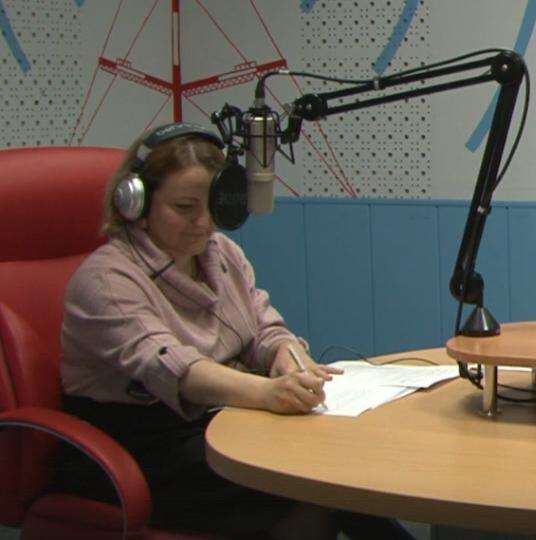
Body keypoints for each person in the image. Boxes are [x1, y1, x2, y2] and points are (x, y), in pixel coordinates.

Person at [56, 122, 415, 539]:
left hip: (217, 423)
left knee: (336, 471)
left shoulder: (220, 254)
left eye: (211, 205)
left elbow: (263, 328)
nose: (203, 222)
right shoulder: (106, 280)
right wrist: (268, 393)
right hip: (141, 451)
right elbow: (177, 369)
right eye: (184, 207)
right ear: (134, 202)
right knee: (321, 486)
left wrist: (288, 358)